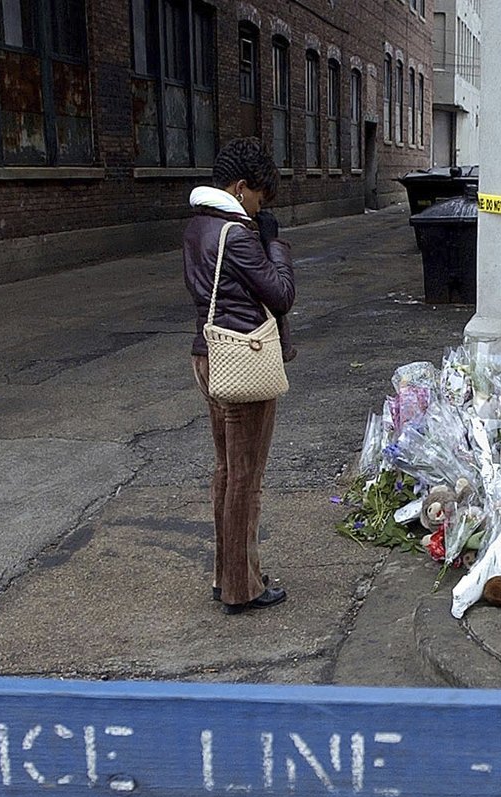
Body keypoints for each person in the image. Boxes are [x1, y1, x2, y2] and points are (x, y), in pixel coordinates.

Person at [184, 138, 296, 614]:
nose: (259, 208)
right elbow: (281, 294)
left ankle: (225, 575)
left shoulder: (197, 227)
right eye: (258, 199)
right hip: (243, 359)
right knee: (245, 478)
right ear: (240, 187)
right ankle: (242, 587)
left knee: (227, 471)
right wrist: (275, 242)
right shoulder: (239, 234)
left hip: (209, 356)